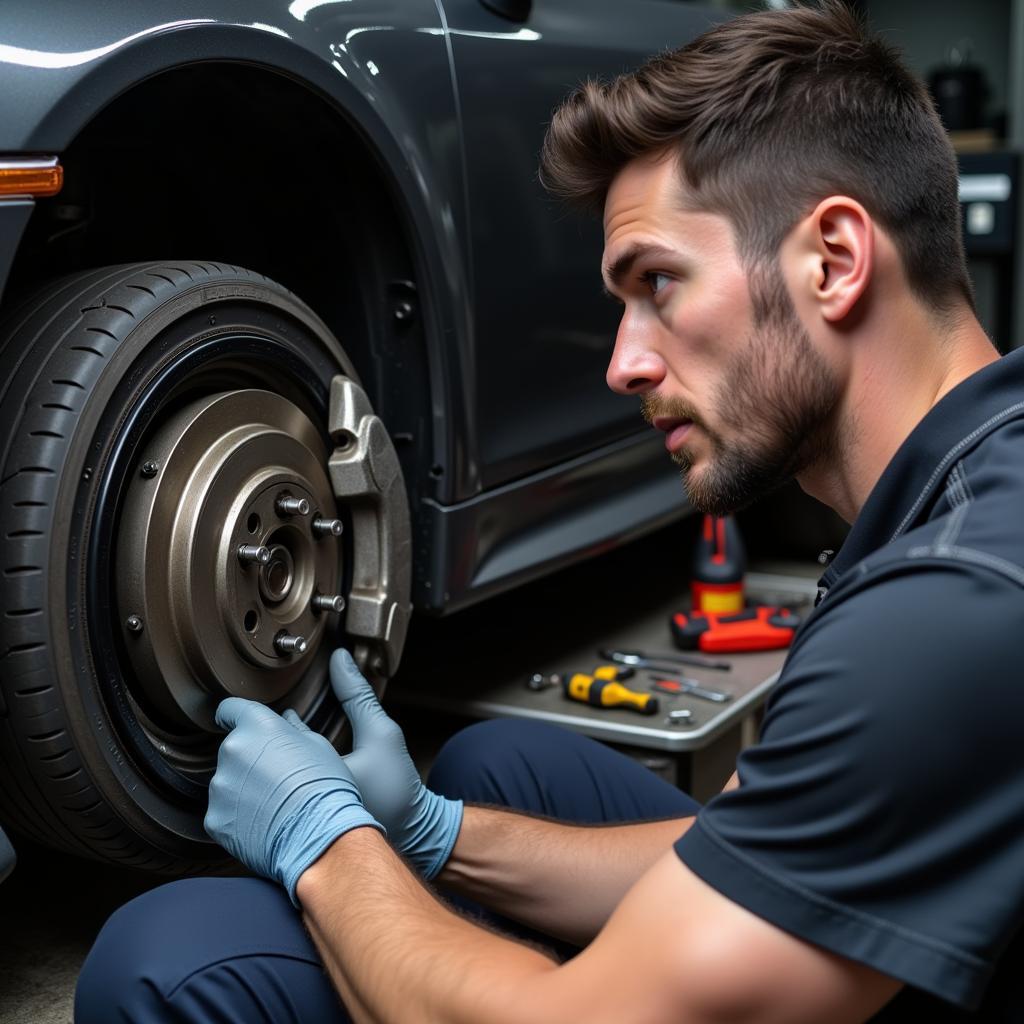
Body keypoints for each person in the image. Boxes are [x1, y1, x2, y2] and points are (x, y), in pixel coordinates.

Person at [76, 2, 1024, 1020]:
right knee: (497, 770)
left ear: (833, 259)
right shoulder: (968, 487)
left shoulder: (944, 610)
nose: (622, 363)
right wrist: (430, 832)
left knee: (165, 956)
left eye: (658, 282)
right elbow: (762, 840)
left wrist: (327, 844)